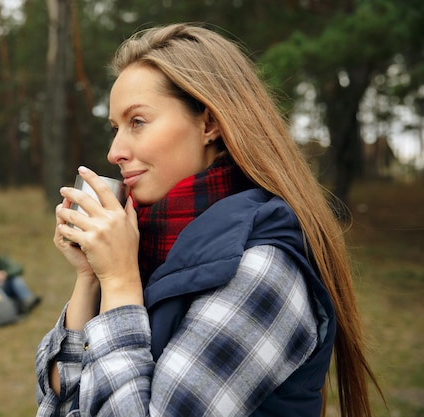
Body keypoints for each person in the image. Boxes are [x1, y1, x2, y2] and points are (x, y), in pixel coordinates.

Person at [35, 24, 382, 417]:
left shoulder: (262, 266)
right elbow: (61, 399)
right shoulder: (151, 244)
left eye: (137, 122)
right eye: (115, 128)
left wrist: (119, 281)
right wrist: (91, 278)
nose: (115, 151)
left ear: (209, 123)